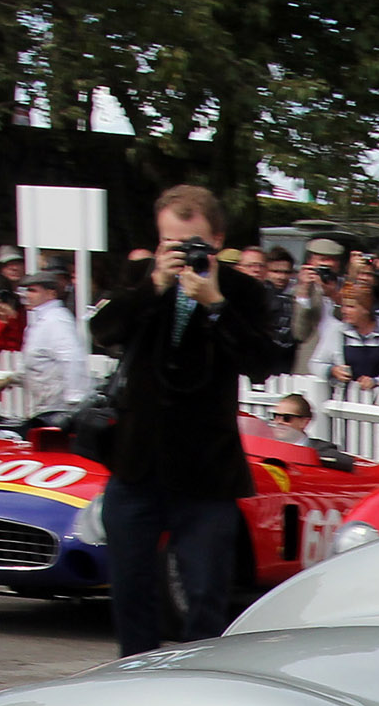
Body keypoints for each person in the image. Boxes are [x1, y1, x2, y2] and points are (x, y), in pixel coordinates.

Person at [85, 184, 290, 656]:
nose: (182, 254)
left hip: (205, 471)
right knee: (132, 590)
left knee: (205, 596)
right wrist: (154, 284)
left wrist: (215, 304)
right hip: (138, 464)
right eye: (171, 244)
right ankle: (132, 680)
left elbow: (262, 362)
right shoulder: (144, 276)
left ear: (217, 239)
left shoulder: (242, 291)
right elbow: (104, 331)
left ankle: (197, 686)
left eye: (193, 244)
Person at [19, 269, 91, 412]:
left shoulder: (57, 320)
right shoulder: (42, 320)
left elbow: (72, 359)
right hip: (45, 403)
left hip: (58, 407)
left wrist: (74, 398)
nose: (27, 295)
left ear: (51, 293)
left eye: (33, 291)